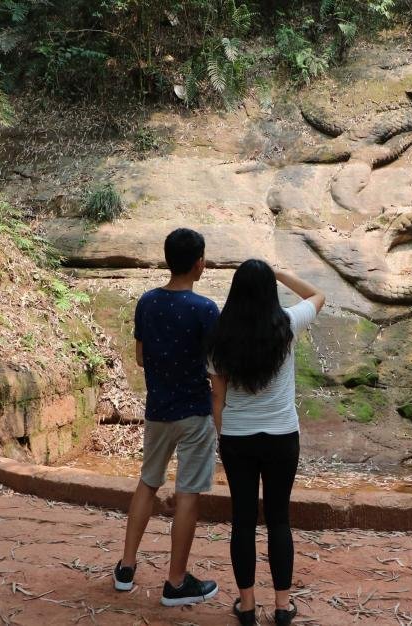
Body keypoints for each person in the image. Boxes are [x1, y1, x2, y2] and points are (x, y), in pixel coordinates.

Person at [207, 260, 325, 626]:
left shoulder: (218, 336)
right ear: (270, 291)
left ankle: (246, 607)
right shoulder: (287, 324)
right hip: (281, 438)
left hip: (238, 439)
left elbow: (217, 398)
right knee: (278, 520)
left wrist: (223, 436)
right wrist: (281, 272)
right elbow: (318, 295)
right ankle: (282, 606)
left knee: (242, 522)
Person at [113, 228, 220, 607]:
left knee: (148, 482)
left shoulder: (147, 303)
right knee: (188, 493)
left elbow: (141, 357)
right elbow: (215, 368)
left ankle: (126, 568)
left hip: (158, 411)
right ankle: (176, 582)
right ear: (198, 264)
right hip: (195, 413)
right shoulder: (206, 310)